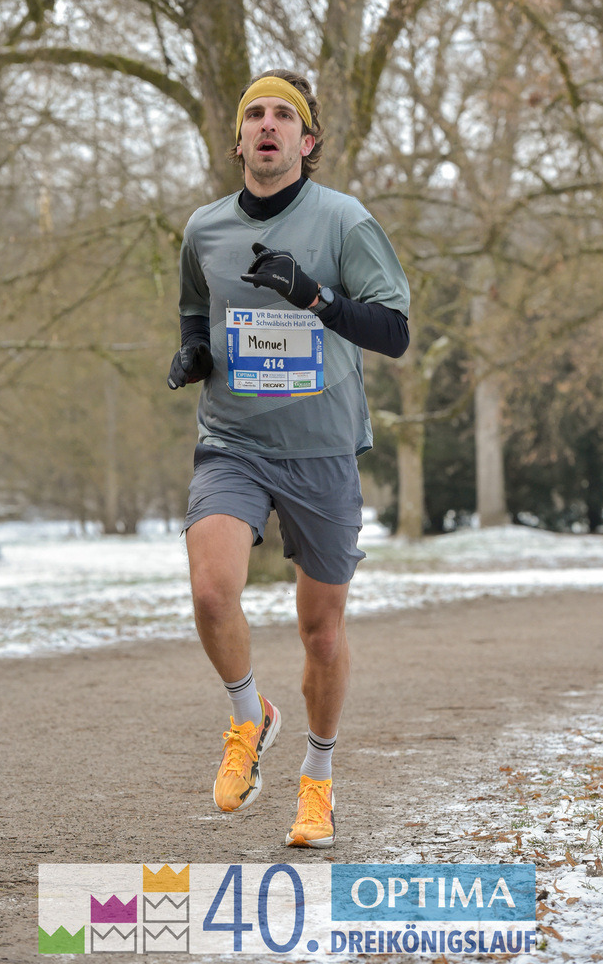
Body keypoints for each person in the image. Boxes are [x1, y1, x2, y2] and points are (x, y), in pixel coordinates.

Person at [167, 68, 410, 848]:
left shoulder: (345, 222)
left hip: (322, 448)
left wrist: (316, 300)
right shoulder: (204, 229)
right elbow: (194, 311)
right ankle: (250, 718)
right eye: (255, 116)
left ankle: (318, 780)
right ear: (238, 140)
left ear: (307, 143)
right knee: (211, 593)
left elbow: (395, 332)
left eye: (285, 117)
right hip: (233, 443)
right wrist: (194, 353)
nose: (268, 125)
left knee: (323, 634)